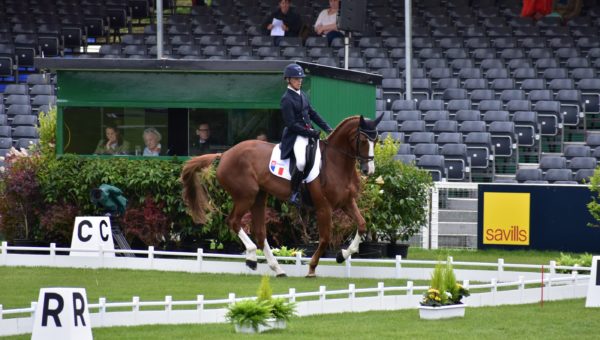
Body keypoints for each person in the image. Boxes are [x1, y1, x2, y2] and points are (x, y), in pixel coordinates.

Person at [279, 63, 333, 206]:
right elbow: (291, 124)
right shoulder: (286, 99)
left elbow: (313, 113)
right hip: (296, 135)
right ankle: (294, 192)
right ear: (288, 80)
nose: (300, 80)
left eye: (301, 78)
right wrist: (309, 132)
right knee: (302, 162)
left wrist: (328, 129)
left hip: (309, 133)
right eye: (296, 78)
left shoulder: (302, 94)